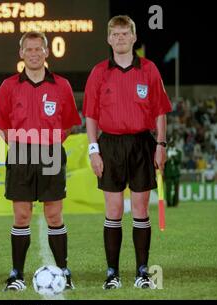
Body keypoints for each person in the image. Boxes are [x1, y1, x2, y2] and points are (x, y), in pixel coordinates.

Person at [83, 15, 172, 290]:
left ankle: (142, 272)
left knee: (141, 210)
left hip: (142, 144)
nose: (120, 38)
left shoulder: (149, 69)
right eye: (115, 34)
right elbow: (91, 115)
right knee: (113, 210)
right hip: (109, 144)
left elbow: (159, 110)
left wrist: (160, 144)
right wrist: (94, 150)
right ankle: (112, 273)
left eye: (125, 34)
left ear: (133, 37)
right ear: (109, 39)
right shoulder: (99, 71)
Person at [0, 31, 81, 291]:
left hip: (51, 152)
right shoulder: (9, 85)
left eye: (38, 49)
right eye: (28, 49)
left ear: (46, 52)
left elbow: (68, 125)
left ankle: (63, 271)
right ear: (21, 53)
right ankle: (16, 274)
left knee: (54, 215)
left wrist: (47, 143)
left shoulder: (61, 85)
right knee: (21, 216)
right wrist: (21, 143)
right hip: (20, 153)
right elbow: (0, 124)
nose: (33, 54)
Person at [164, 140, 182, 207]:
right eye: (170, 143)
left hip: (176, 173)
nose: (172, 144)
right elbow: (163, 162)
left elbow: (179, 161)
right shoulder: (165, 152)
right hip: (168, 173)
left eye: (173, 143)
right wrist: (167, 158)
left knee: (176, 189)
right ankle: (169, 203)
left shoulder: (178, 152)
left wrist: (173, 157)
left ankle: (175, 203)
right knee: (168, 189)